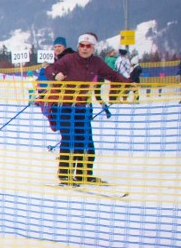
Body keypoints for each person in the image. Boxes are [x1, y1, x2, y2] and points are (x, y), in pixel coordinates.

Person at [44, 32, 130, 185]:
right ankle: (65, 175)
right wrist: (55, 74)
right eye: (82, 46)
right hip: (63, 105)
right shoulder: (69, 59)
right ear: (78, 46)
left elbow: (112, 75)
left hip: (81, 107)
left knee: (86, 141)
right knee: (70, 139)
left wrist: (128, 82)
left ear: (93, 48)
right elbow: (49, 69)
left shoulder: (96, 62)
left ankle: (84, 174)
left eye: (88, 46)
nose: (84, 49)